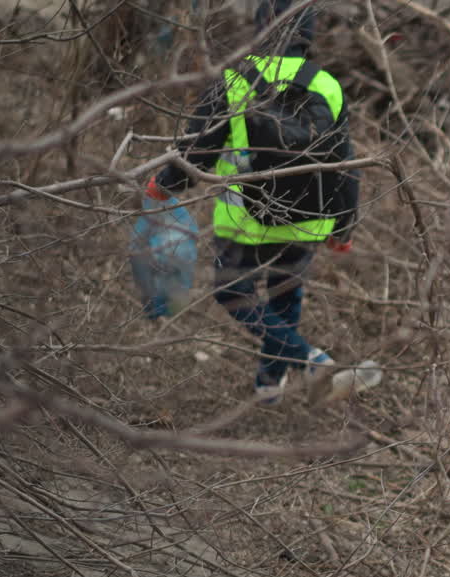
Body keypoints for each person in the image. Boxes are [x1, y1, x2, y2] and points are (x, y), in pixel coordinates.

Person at [148, 0, 360, 398]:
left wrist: (166, 183)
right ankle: (268, 386)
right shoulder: (328, 85)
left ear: (262, 27)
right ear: (309, 33)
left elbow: (197, 149)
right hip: (306, 221)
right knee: (285, 297)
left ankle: (309, 360)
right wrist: (343, 226)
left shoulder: (235, 80)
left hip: (245, 220)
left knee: (232, 293)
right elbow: (344, 164)